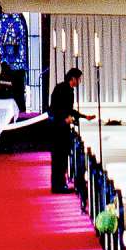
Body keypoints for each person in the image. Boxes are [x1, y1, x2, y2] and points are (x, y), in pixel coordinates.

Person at [47, 64, 82, 193]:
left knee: (60, 159)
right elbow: (57, 108)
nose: (79, 82)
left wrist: (82, 116)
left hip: (59, 127)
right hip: (59, 128)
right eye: (78, 79)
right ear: (73, 78)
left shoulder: (63, 88)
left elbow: (67, 110)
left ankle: (59, 184)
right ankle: (58, 186)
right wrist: (64, 119)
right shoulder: (64, 90)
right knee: (59, 158)